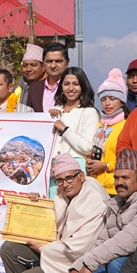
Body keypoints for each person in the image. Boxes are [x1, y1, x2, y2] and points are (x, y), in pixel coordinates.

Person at [1, 154, 108, 273]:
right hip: (57, 251)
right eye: (60, 180)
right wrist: (37, 204)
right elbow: (51, 224)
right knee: (9, 248)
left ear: (81, 176)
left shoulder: (94, 200)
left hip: (77, 261)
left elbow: (80, 248)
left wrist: (44, 249)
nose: (65, 184)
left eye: (69, 178)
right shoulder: (63, 194)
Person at [47, 67, 98, 196]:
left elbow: (86, 147)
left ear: (83, 87)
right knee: (54, 211)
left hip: (74, 169)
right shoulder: (54, 111)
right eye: (66, 84)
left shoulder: (89, 112)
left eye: (76, 84)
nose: (70, 88)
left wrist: (64, 129)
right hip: (52, 170)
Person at [86, 68, 128, 194]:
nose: (107, 103)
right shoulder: (99, 123)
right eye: (103, 99)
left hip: (116, 189)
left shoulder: (126, 124)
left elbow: (128, 161)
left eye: (112, 98)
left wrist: (105, 166)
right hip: (95, 187)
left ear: (121, 102)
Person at [23, 42, 68, 113]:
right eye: (49, 61)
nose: (53, 65)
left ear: (67, 63)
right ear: (43, 64)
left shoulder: (73, 87)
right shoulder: (34, 88)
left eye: (58, 61)